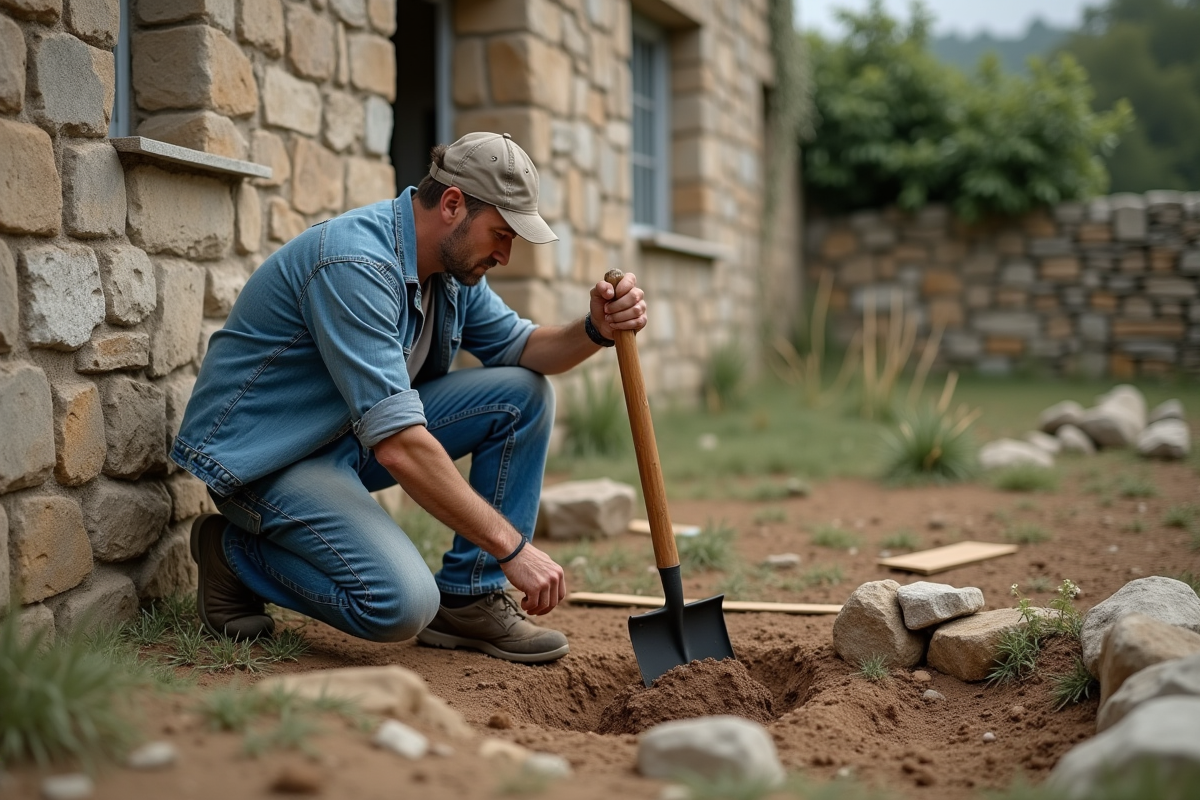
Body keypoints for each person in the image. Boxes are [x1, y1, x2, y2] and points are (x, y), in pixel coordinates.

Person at [171, 132, 647, 664]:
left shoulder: (449, 273)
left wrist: (596, 329)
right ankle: (234, 553)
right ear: (451, 205)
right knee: (398, 604)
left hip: (345, 440)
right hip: (267, 458)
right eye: (501, 233)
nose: (506, 254)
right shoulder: (354, 265)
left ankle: (469, 599)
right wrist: (511, 548)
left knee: (522, 395)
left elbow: (525, 350)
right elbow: (399, 444)